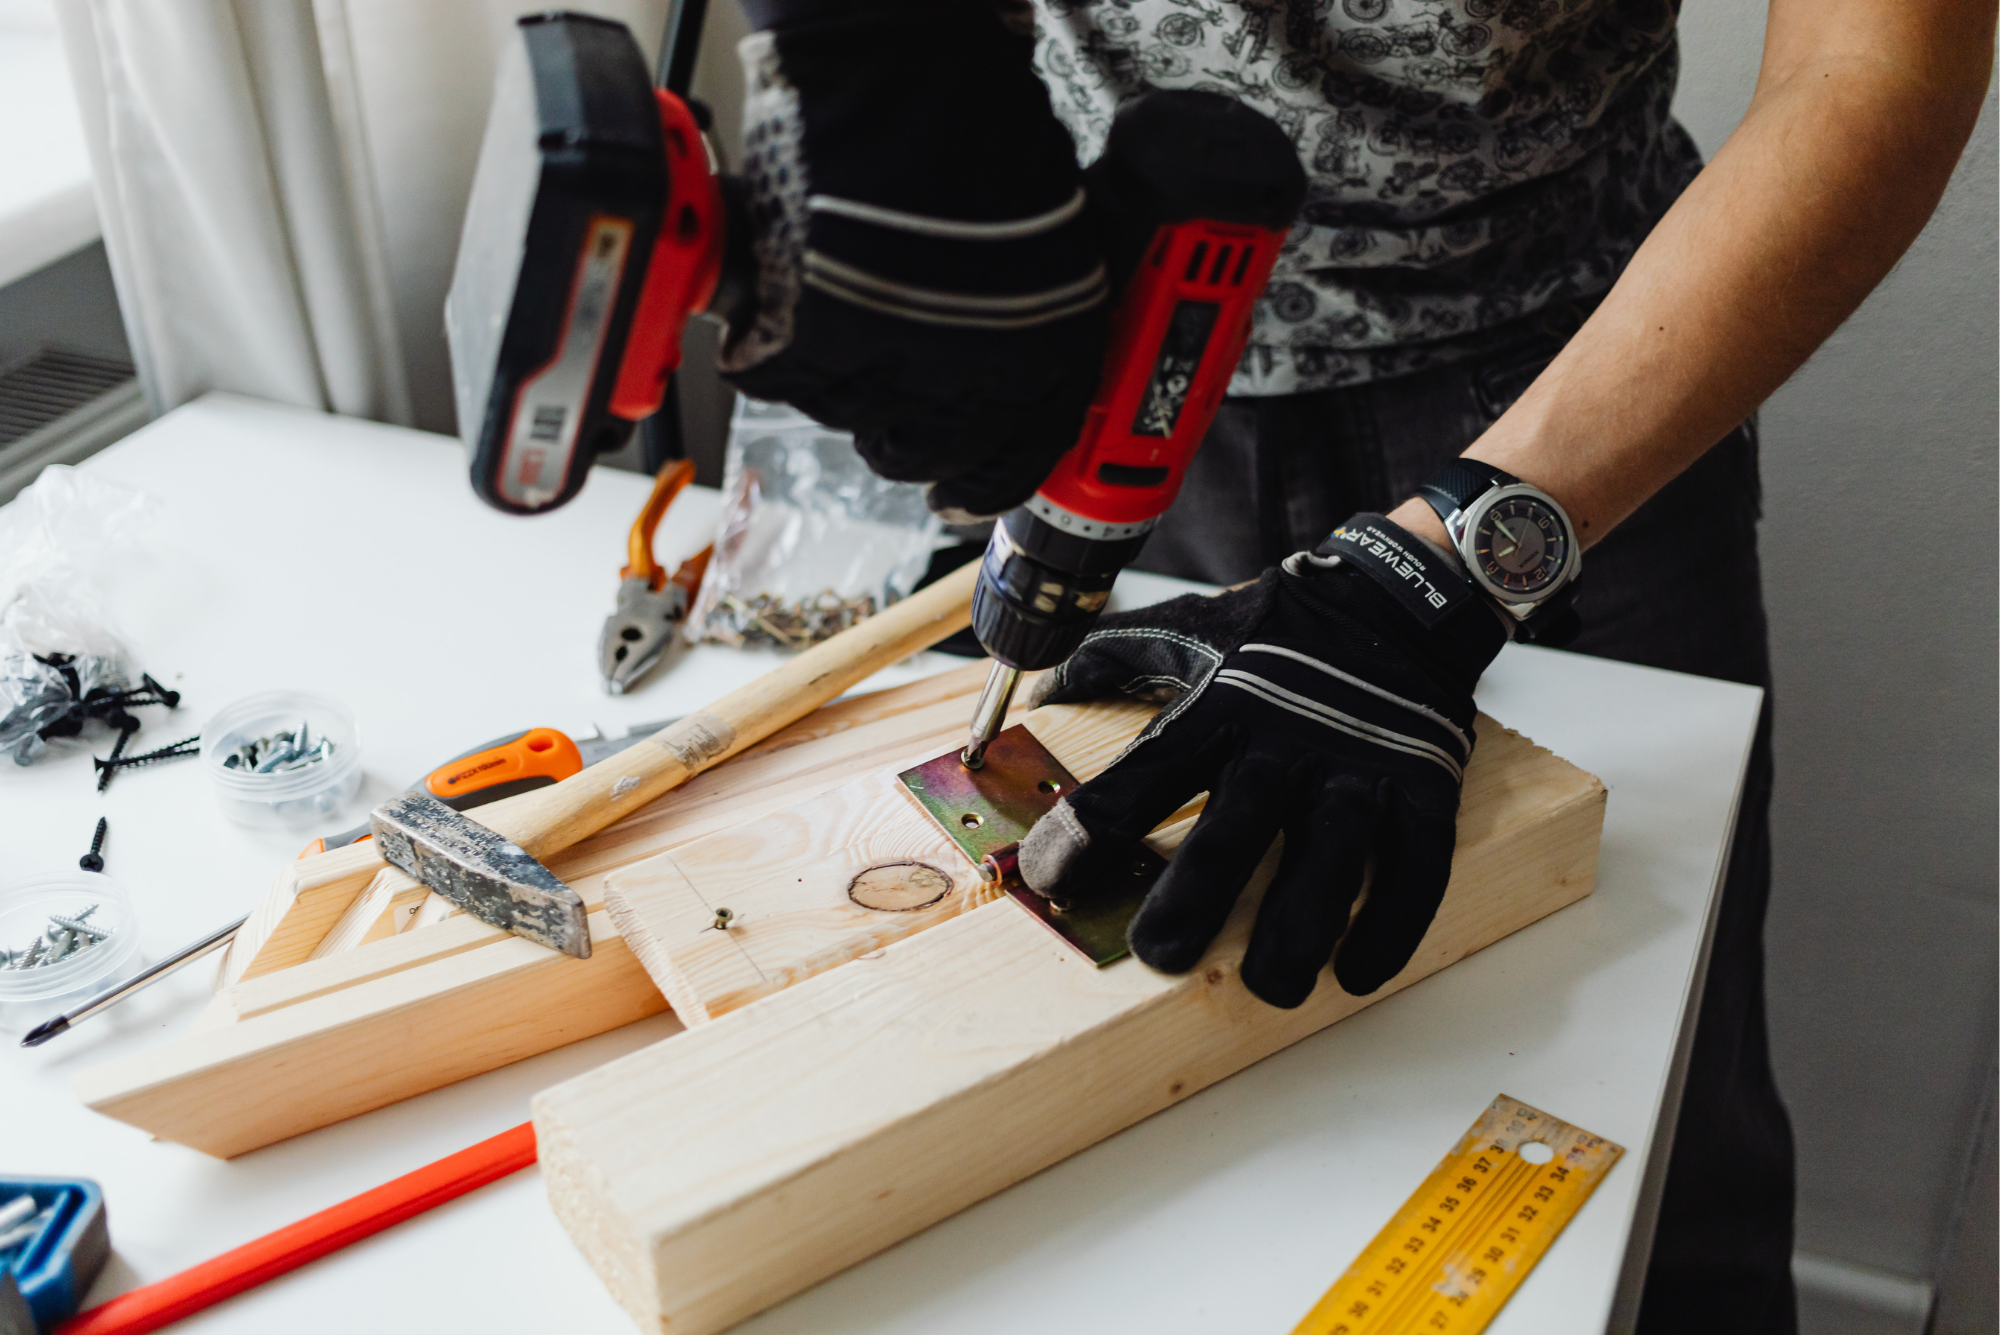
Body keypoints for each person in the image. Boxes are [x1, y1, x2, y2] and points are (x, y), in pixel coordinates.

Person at [711, 0, 1996, 1328]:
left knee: (1650, 1123)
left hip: (1590, 386)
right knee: (1163, 1111)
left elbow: (1872, 66)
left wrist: (1443, 567)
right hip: (1116, 336)